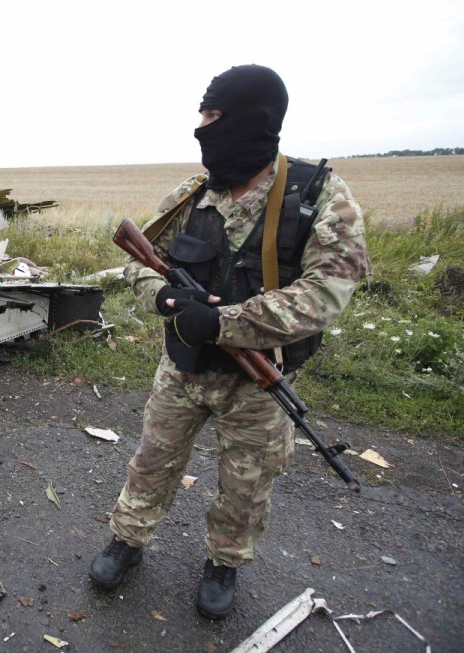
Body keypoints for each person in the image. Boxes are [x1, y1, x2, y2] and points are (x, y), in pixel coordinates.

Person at [89, 64, 372, 620]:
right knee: (151, 463)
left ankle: (224, 563)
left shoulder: (318, 194)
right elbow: (140, 260)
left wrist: (223, 323)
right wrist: (164, 299)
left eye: (214, 115)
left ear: (254, 120)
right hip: (183, 369)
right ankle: (127, 540)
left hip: (258, 381)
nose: (201, 127)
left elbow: (328, 293)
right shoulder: (194, 193)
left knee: (246, 486)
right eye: (202, 113)